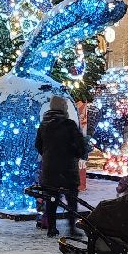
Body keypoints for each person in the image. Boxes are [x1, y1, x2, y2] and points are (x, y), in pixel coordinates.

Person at [34, 96, 88, 237]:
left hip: (50, 169)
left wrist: (49, 156)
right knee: (71, 199)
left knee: (51, 199)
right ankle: (72, 227)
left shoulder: (44, 126)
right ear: (64, 108)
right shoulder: (69, 125)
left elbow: (38, 145)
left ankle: (52, 228)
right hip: (68, 168)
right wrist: (76, 154)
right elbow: (80, 145)